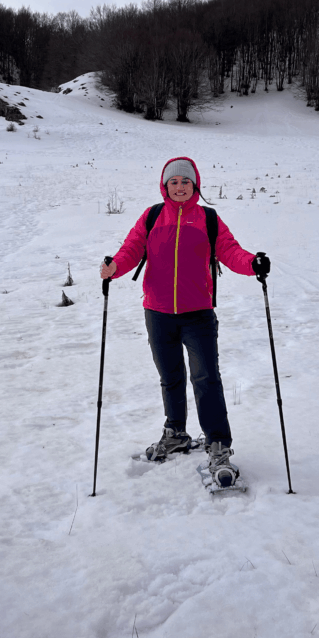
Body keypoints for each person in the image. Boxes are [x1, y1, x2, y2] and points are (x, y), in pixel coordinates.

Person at [100, 156, 270, 488]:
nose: (180, 187)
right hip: (158, 311)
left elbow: (230, 251)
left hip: (198, 313)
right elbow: (131, 249)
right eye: (174, 182)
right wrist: (113, 268)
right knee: (171, 377)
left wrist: (253, 263)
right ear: (165, 187)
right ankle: (176, 433)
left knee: (206, 378)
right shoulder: (152, 217)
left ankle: (218, 446)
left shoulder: (207, 218)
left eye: (186, 182)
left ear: (195, 186)